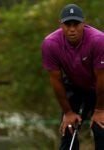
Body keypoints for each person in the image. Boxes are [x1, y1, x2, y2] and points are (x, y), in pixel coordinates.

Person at [41, 3, 104, 150]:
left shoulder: (99, 40)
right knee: (68, 128)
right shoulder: (50, 44)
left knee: (100, 128)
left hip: (101, 87)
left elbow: (102, 78)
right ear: (60, 24)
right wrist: (68, 112)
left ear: (84, 23)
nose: (72, 29)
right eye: (67, 24)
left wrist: (100, 110)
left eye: (76, 24)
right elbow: (56, 81)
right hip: (75, 86)